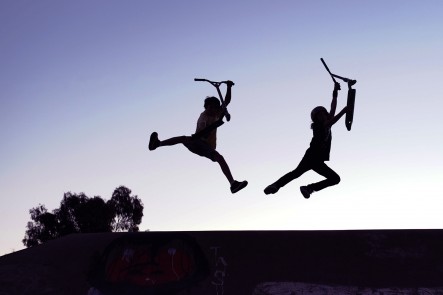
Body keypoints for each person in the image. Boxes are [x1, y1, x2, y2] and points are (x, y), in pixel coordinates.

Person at [149, 80, 248, 194]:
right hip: (198, 142)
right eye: (210, 107)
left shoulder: (216, 113)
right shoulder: (204, 118)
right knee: (183, 139)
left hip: (208, 146)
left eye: (215, 108)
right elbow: (203, 134)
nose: (212, 110)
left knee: (220, 158)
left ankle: (233, 184)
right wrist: (218, 122)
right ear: (206, 107)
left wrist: (229, 87)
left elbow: (226, 101)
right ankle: (157, 144)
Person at [264, 82, 347, 199]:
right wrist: (344, 111)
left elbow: (333, 108)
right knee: (296, 173)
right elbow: (331, 120)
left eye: (324, 113)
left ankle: (308, 188)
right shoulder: (319, 127)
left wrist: (335, 91)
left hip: (317, 160)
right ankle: (277, 185)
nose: (323, 116)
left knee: (334, 178)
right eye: (320, 115)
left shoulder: (327, 124)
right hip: (312, 157)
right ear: (316, 119)